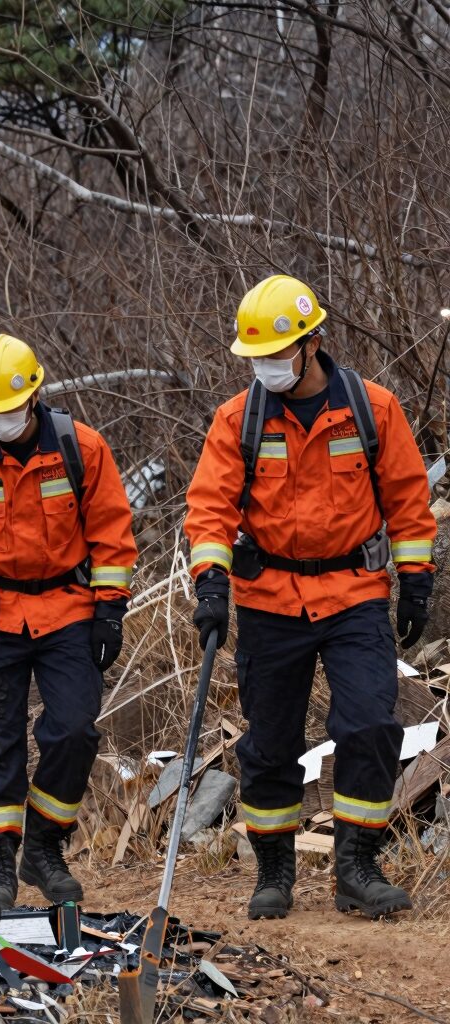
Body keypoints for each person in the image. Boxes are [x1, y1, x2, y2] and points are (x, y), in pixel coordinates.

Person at [185, 274, 436, 920]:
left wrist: (417, 580)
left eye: (275, 355)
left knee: (370, 724)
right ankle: (274, 870)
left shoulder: (372, 409)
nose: (264, 368)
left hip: (354, 594)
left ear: (312, 343)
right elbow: (209, 509)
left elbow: (409, 502)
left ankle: (357, 865)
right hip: (270, 599)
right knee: (270, 743)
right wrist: (209, 581)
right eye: (255, 359)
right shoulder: (236, 422)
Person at [0, 334, 137, 908]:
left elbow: (112, 533)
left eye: (9, 410)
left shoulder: (80, 448)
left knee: (73, 731)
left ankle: (42, 846)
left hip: (67, 611)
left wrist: (110, 608)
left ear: (34, 396)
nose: (2, 421)